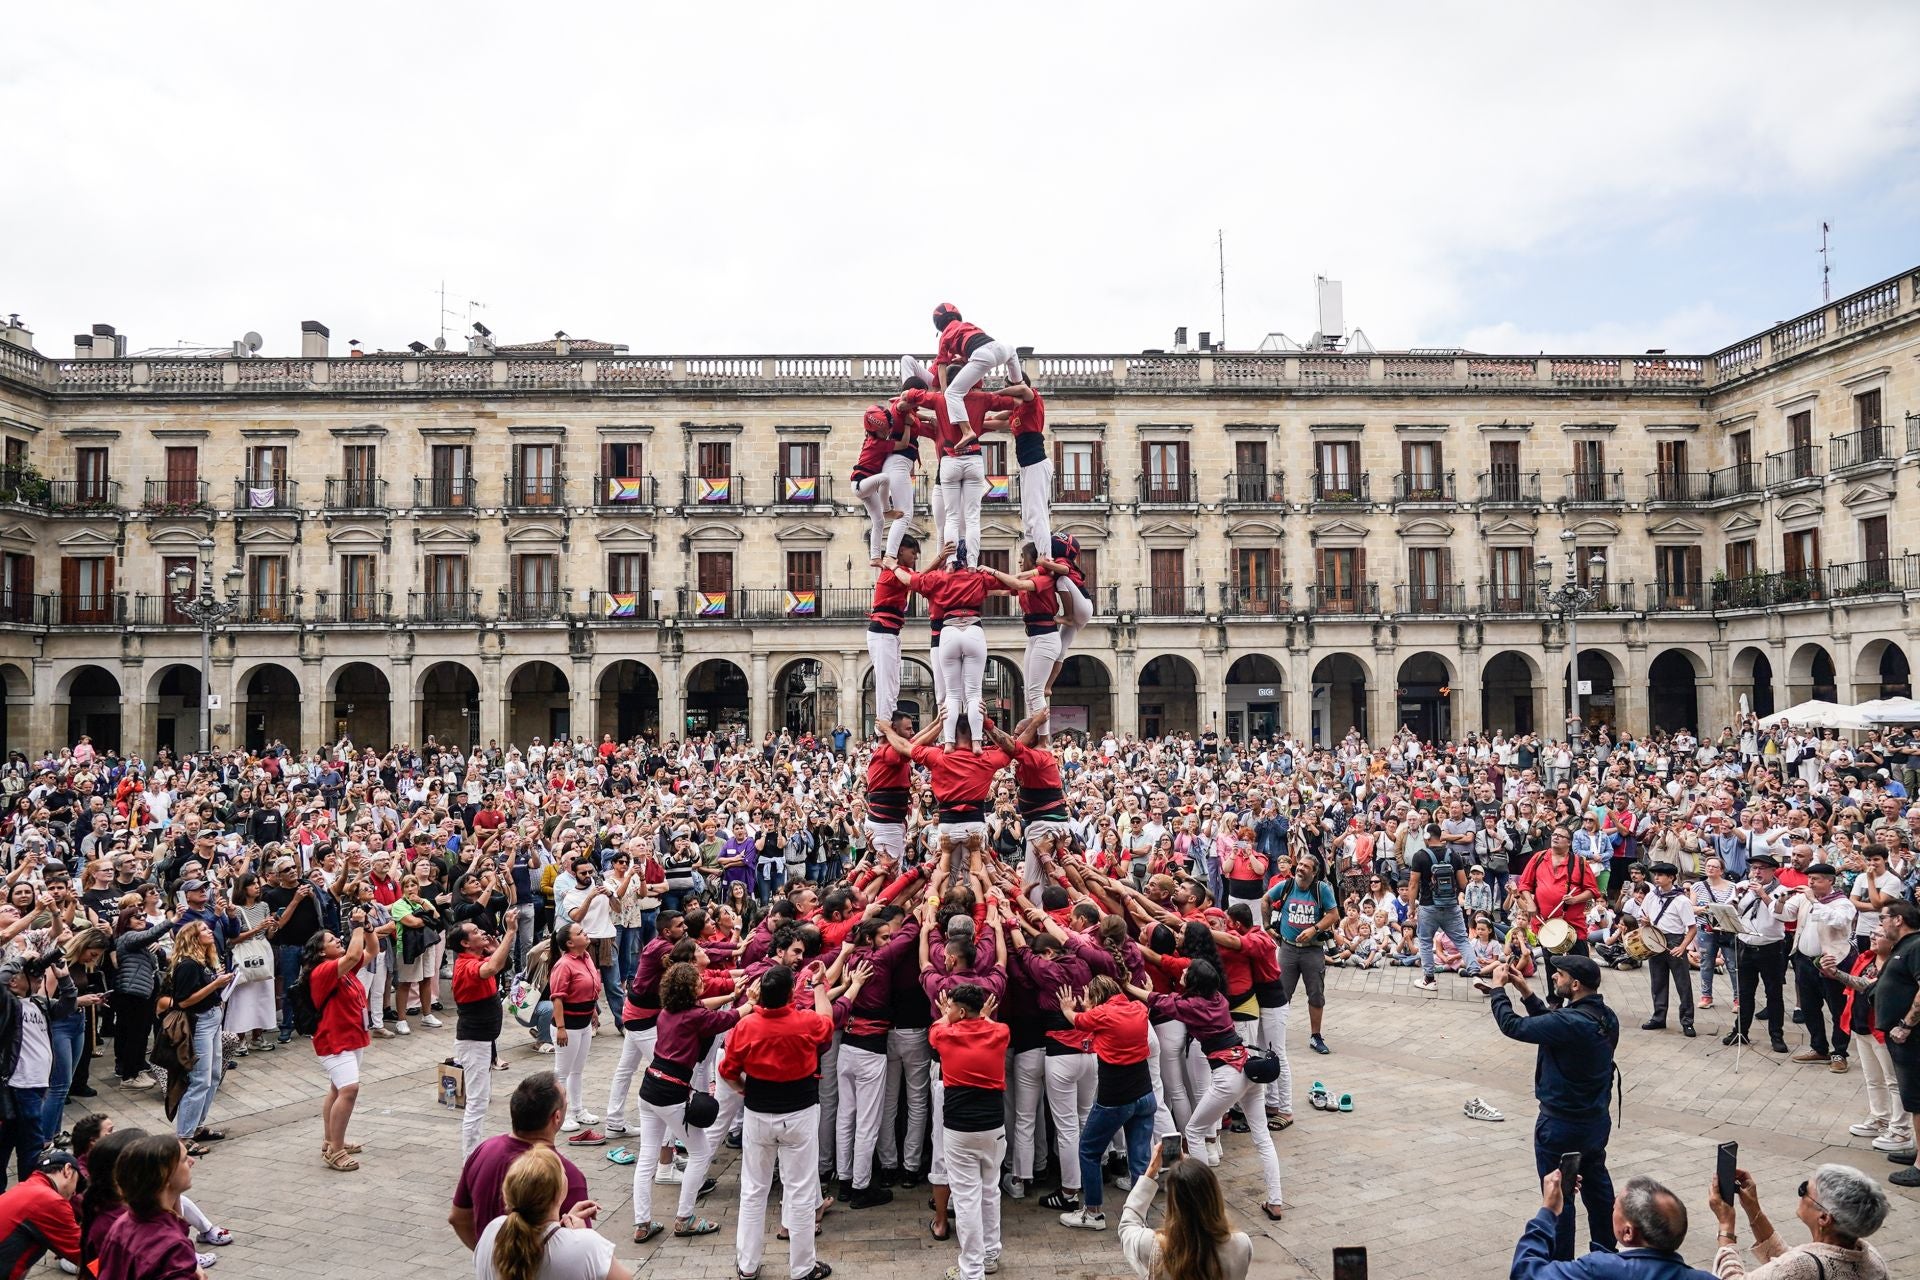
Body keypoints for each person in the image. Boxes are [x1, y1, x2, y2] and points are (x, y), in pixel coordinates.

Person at [1489, 953, 1621, 1253]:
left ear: (1574, 985)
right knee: (1597, 1186)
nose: (1553, 977)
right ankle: (1606, 1252)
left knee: (1559, 1193)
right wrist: (1526, 992)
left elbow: (1514, 1027)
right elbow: (1554, 1026)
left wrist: (1498, 991)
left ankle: (1561, 1263)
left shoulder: (1570, 1021)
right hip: (1595, 1120)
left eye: (1558, 974)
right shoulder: (1606, 1016)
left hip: (1561, 1124)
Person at [720, 963, 841, 1280]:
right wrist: (817, 986)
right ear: (790, 993)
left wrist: (744, 1089)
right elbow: (828, 1021)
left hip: (759, 1111)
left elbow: (728, 1070)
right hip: (799, 1112)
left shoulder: (747, 1027)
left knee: (754, 1190)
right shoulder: (805, 1021)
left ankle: (747, 1265)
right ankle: (802, 1268)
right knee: (799, 1191)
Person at [451, 1072, 597, 1249]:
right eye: (565, 1097)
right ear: (556, 1117)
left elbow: (458, 1218)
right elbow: (580, 1252)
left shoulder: (484, 1150)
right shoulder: (566, 1176)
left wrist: (487, 1258)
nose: (567, 1101)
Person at [926, 983, 1008, 1280]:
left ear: (960, 1012)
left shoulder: (944, 1034)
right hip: (992, 1125)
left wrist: (949, 1016)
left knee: (966, 1198)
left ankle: (971, 1270)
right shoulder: (1000, 1032)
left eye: (950, 1007)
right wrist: (981, 1016)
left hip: (959, 1128)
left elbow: (937, 1027)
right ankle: (989, 1254)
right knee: (990, 1191)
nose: (945, 1011)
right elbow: (990, 1025)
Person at [1510, 1170, 1713, 1278]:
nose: (1612, 1208)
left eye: (1616, 1206)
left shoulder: (1599, 1269)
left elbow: (1526, 1273)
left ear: (1627, 1233)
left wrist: (1549, 1211)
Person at [474, 1145, 631, 1280]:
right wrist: (580, 1235)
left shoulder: (493, 1231)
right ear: (559, 1193)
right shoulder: (587, 1246)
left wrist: (561, 1231)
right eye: (563, 1173)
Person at [1708, 1163, 1891, 1279]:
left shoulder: (1803, 1266)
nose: (1801, 1193)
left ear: (1824, 1218)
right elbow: (1788, 1262)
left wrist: (1726, 1226)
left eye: (1805, 1189)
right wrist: (1753, 1208)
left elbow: (1794, 1267)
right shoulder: (1872, 1258)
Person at [1118, 1144, 1254, 1280]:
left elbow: (1128, 1225)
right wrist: (1187, 1172)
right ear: (1214, 1196)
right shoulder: (1241, 1245)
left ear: (1173, 1203)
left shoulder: (1152, 1246)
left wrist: (1151, 1171)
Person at [303, 914, 372, 1171]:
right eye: (333, 940)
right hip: (333, 1040)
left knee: (337, 1088)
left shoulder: (341, 967)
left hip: (352, 1036)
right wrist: (354, 927)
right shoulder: (322, 971)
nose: (339, 940)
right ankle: (336, 1150)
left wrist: (368, 929)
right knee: (349, 1090)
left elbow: (370, 951)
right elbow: (354, 955)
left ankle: (330, 1139)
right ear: (322, 952)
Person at [1781, 862, 1859, 1073]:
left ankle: (1839, 1053)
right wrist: (1776, 898)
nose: (1811, 883)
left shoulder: (1842, 903)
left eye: (1816, 879)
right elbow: (1785, 914)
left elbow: (1840, 922)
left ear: (1830, 881)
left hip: (1832, 963)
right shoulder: (1806, 898)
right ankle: (1819, 1047)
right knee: (1809, 1007)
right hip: (1804, 961)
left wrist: (1814, 901)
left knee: (1838, 1010)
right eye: (1810, 879)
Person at [451, 918, 517, 1157]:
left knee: (481, 1099)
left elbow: (502, 963)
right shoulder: (465, 966)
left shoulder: (476, 958)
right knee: (477, 1103)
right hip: (473, 1042)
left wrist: (496, 945)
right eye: (476, 932)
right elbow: (490, 969)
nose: (482, 932)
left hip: (483, 1041)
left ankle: (475, 1151)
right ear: (465, 943)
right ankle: (470, 1158)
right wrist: (510, 932)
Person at [92, 1135, 199, 1280]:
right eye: (185, 1159)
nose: (192, 1161)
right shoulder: (172, 1246)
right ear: (165, 1174)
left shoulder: (123, 1223)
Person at [1267, 851, 1338, 1057]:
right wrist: (1267, 927)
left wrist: (1314, 929)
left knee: (1316, 994)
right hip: (1287, 949)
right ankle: (1276, 1036)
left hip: (1312, 950)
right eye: (1300, 865)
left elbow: (1333, 914)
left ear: (1314, 872)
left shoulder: (1321, 889)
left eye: (1306, 866)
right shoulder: (1287, 885)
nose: (1300, 868)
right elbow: (1265, 899)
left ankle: (1316, 1036)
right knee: (1282, 995)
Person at [1872, 902, 1920, 1187]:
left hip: (1912, 1036)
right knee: (1913, 1099)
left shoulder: (1915, 946)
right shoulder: (1903, 947)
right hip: (1903, 1037)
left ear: (1898, 919)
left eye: (1883, 918)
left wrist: (1906, 1024)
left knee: (1918, 1100)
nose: (1881, 924)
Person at [1728, 853, 1791, 1053]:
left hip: (1770, 948)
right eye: (1754, 868)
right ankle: (1740, 1031)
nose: (1756, 872)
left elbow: (1782, 915)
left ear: (1773, 871)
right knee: (1745, 993)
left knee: (1774, 994)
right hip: (1745, 945)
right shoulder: (1743, 887)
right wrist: (1736, 898)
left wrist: (1763, 894)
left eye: (1761, 868)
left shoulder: (1781, 891)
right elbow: (1733, 913)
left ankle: (1776, 1036)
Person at [0, 1148, 83, 1278]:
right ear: (67, 1170)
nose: (73, 1193)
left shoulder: (27, 1188)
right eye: (76, 1185)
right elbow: (83, 1254)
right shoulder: (50, 1200)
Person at [1410, 822, 1473, 991]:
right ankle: (1475, 973)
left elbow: (1413, 884)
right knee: (1462, 940)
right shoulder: (1453, 855)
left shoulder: (1420, 856)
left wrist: (1411, 907)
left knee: (1424, 941)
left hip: (1428, 906)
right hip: (1451, 905)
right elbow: (1463, 883)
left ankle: (1429, 980)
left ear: (1426, 837)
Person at [1640, 862, 1698, 1038]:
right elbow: (1645, 917)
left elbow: (1692, 928)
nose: (1656, 877)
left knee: (1683, 984)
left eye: (1660, 875)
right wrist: (1646, 923)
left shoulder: (1682, 900)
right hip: (1655, 939)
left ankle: (1687, 1021)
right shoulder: (1651, 896)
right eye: (1655, 874)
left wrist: (1682, 947)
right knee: (1657, 982)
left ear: (1671, 878)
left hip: (1675, 940)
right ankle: (1658, 1017)